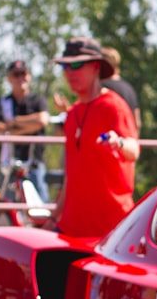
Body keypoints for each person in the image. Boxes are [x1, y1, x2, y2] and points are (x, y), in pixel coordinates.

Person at [45, 37, 140, 238]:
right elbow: (69, 177)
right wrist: (53, 219)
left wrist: (119, 142)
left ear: (96, 67)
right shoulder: (72, 115)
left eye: (77, 65)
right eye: (65, 67)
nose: (70, 72)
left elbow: (134, 150)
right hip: (72, 227)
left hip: (111, 230)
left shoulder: (114, 106)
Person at [0, 60, 51, 201]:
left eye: (23, 73)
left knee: (41, 207)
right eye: (16, 74)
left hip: (34, 162)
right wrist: (31, 125)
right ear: (9, 78)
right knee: (8, 206)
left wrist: (15, 122)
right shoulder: (2, 102)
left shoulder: (38, 100)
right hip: (8, 163)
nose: (20, 78)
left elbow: (42, 121)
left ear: (29, 75)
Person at [101, 47, 141, 135]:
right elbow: (137, 123)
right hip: (128, 143)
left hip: (109, 145)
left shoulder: (102, 89)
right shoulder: (129, 88)